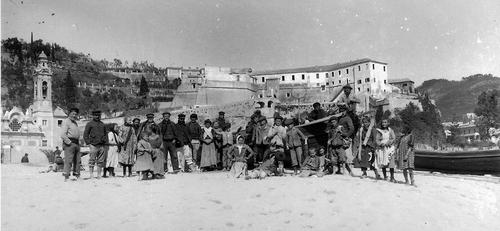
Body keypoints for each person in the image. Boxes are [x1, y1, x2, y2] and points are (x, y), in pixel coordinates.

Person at [83, 110, 107, 180]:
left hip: (101, 145)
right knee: (92, 160)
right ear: (93, 116)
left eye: (98, 115)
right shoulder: (89, 124)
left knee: (100, 161)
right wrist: (89, 143)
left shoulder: (102, 124)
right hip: (93, 145)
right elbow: (85, 135)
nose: (97, 116)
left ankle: (99, 175)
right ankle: (91, 175)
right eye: (96, 115)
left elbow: (105, 134)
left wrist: (104, 142)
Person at [60, 107, 81, 181]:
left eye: (75, 114)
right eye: (73, 113)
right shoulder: (66, 122)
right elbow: (62, 134)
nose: (74, 115)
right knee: (68, 160)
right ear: (69, 113)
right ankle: (66, 176)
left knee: (77, 160)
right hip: (70, 143)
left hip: (76, 143)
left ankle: (77, 175)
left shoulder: (75, 122)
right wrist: (69, 142)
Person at [375, 118, 397, 182]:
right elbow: (377, 139)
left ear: (388, 123)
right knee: (383, 162)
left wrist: (389, 142)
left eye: (385, 122)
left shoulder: (390, 130)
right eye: (383, 122)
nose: (384, 124)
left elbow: (393, 138)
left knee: (391, 162)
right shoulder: (379, 131)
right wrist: (380, 144)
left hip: (389, 148)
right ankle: (385, 176)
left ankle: (392, 177)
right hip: (382, 148)